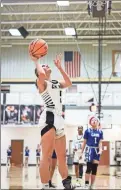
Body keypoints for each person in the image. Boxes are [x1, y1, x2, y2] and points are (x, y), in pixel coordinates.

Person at [30, 53, 73, 189]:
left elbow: (69, 83)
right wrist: (37, 61)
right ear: (38, 73)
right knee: (46, 156)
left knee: (62, 157)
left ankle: (66, 184)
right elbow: (41, 75)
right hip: (49, 117)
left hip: (59, 118)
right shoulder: (40, 82)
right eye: (43, 66)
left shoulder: (54, 83)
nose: (46, 65)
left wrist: (60, 68)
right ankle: (45, 186)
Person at [79, 116, 103, 189]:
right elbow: (84, 142)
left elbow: (100, 142)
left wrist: (100, 149)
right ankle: (86, 184)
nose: (94, 121)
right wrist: (81, 152)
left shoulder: (100, 132)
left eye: (96, 120)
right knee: (88, 168)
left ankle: (92, 185)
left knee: (94, 168)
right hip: (89, 150)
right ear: (90, 122)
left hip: (96, 151)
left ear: (98, 122)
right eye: (93, 120)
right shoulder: (87, 131)